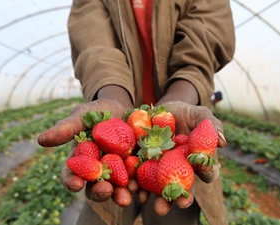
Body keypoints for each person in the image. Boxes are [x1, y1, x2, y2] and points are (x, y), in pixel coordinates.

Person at [38, 0, 235, 224]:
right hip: (117, 144)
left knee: (175, 212)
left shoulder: (182, 154)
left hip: (183, 132)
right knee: (104, 210)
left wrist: (178, 100)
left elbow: (205, 40)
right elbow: (92, 41)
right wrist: (113, 98)